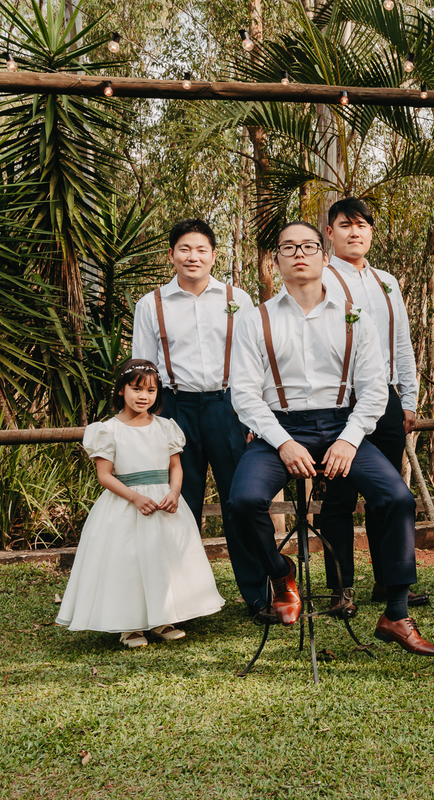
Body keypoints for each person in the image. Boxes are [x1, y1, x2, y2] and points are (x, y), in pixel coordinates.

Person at [227, 222, 434, 657]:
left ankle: (396, 614)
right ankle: (280, 571)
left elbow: (375, 390)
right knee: (243, 501)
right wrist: (282, 442)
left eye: (308, 246)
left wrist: (349, 439)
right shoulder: (255, 319)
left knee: (397, 498)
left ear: (324, 258)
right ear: (276, 261)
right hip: (279, 428)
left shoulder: (354, 316)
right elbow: (244, 395)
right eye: (288, 247)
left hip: (341, 425)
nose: (299, 254)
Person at [131, 220, 268, 620]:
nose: (193, 257)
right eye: (185, 249)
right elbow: (143, 368)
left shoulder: (237, 299)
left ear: (213, 255)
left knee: (239, 502)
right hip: (175, 409)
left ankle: (258, 597)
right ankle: (178, 602)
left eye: (201, 249)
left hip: (228, 408)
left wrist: (255, 421)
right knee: (179, 504)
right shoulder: (151, 304)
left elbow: (254, 362)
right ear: (171, 254)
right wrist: (146, 424)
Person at [56, 360, 225, 647]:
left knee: (162, 560)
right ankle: (129, 626)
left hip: (162, 504)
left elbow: (176, 466)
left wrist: (174, 492)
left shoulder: (166, 427)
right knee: (128, 563)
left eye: (151, 390)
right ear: (121, 390)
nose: (143, 396)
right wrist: (134, 497)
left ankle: (162, 618)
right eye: (136, 389)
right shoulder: (108, 430)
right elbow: (104, 475)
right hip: (126, 504)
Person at [315, 198, 426, 618]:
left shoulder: (387, 281)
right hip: (338, 403)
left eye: (362, 225)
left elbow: (402, 342)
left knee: (387, 494)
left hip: (386, 400)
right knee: (339, 498)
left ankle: (389, 582)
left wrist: (408, 399)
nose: (354, 232)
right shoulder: (320, 278)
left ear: (371, 232)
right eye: (345, 225)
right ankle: (340, 588)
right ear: (330, 232)